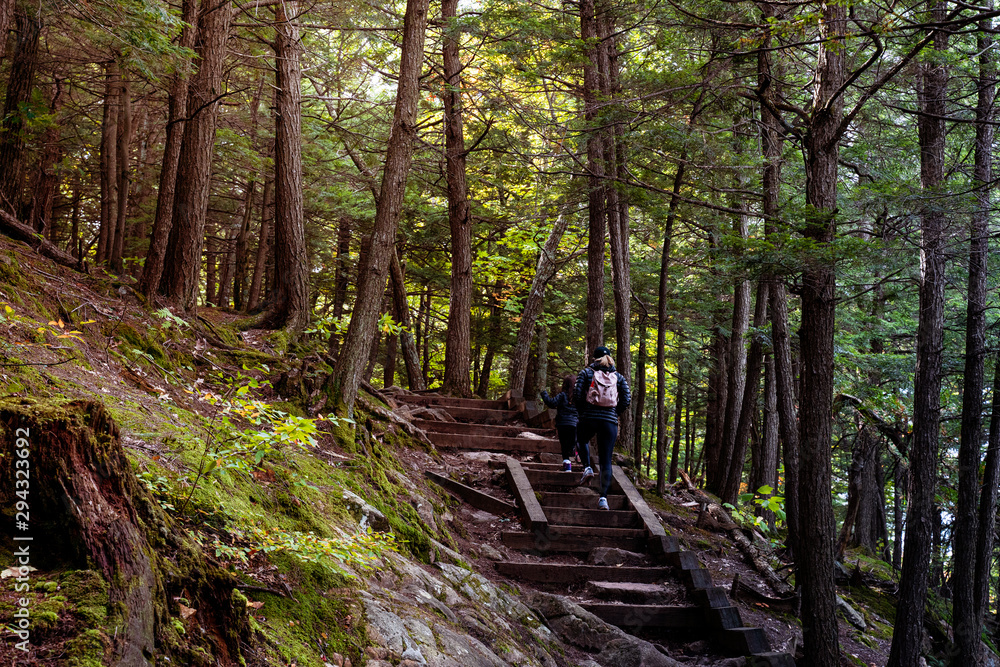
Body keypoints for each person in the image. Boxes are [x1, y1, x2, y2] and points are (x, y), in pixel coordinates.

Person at [574, 346, 631, 510]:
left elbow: (577, 395)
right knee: (606, 459)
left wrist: (584, 412)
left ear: (594, 359)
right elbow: (626, 400)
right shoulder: (618, 377)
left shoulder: (586, 373)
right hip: (609, 421)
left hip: (589, 418)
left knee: (582, 439)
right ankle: (603, 498)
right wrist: (613, 413)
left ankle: (587, 467)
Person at [540, 375, 579, 472]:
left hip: (563, 424)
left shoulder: (562, 395)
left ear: (565, 384)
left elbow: (551, 403)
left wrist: (544, 394)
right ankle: (576, 452)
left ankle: (567, 467)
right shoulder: (578, 397)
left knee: (564, 445)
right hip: (575, 424)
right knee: (573, 442)